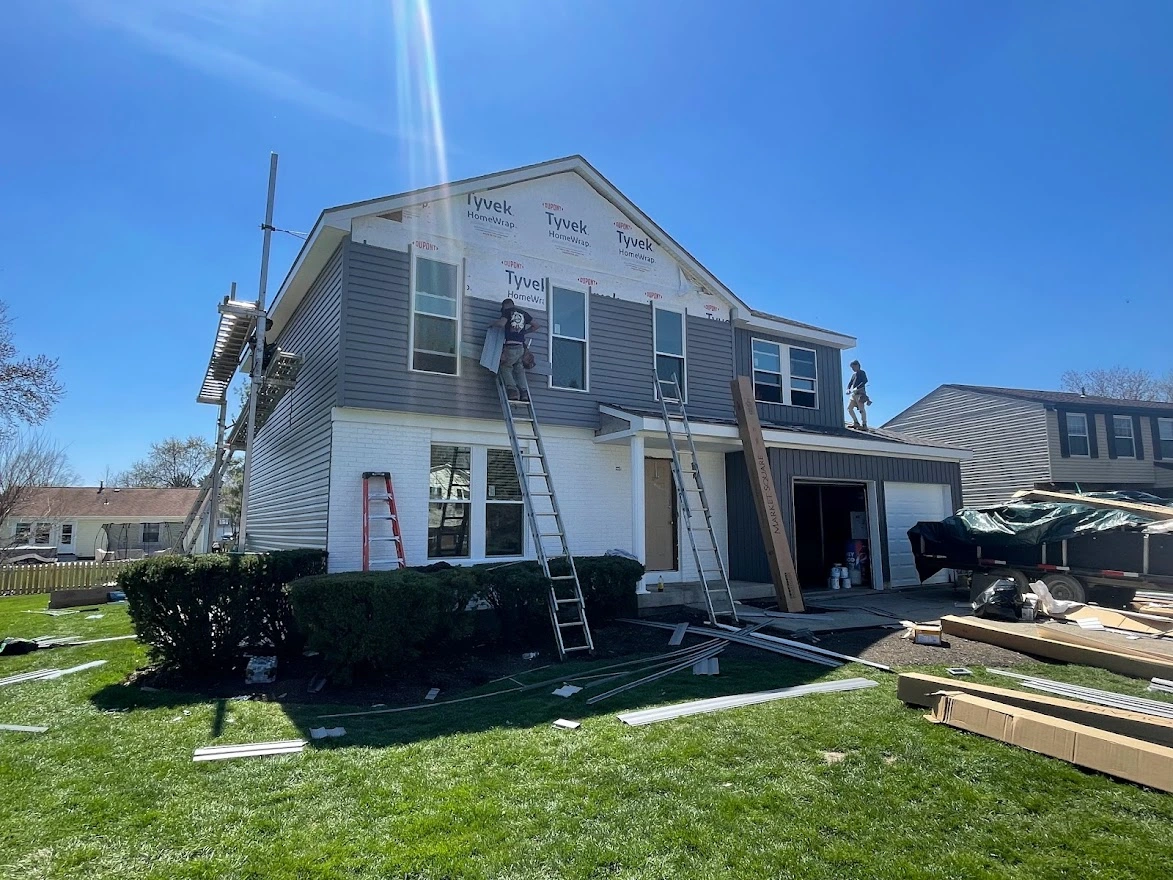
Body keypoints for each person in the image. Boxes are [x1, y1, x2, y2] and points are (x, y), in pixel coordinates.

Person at [491, 298, 539, 401]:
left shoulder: (508, 312)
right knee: (519, 369)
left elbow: (501, 323)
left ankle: (513, 391)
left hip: (511, 347)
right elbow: (536, 326)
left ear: (505, 306)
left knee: (505, 367)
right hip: (521, 347)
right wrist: (524, 332)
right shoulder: (523, 313)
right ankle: (524, 393)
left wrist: (491, 324)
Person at [846, 359, 871, 429]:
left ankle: (864, 425)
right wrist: (848, 389)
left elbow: (865, 381)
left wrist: (857, 387)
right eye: (852, 368)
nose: (853, 369)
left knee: (861, 409)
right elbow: (850, 383)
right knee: (849, 408)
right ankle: (856, 423)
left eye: (853, 367)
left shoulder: (862, 372)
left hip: (860, 393)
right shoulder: (853, 375)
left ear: (857, 366)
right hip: (853, 394)